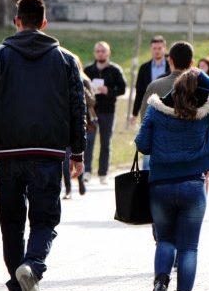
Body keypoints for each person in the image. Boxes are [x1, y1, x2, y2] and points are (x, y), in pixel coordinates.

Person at [0, 0, 86, 291]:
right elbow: (78, 108)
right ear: (44, 23)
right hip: (49, 154)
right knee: (45, 220)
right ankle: (33, 266)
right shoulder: (65, 60)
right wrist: (78, 151)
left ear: (16, 21)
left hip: (7, 154)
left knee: (11, 225)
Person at [135, 63, 209, 291]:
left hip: (161, 186)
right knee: (189, 248)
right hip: (193, 185)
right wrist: (204, 78)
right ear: (197, 90)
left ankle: (160, 283)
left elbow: (143, 145)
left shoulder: (156, 110)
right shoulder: (206, 112)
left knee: (165, 241)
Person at [138, 42, 197, 170]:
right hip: (190, 151)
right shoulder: (200, 87)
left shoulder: (155, 86)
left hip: (159, 149)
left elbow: (144, 119)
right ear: (192, 62)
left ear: (169, 60)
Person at [83, 41, 127, 184]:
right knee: (88, 142)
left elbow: (122, 89)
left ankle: (103, 174)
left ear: (108, 53)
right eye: (98, 51)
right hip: (91, 112)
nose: (100, 53)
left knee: (105, 143)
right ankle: (87, 171)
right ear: (95, 53)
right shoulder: (88, 70)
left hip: (108, 111)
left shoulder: (115, 70)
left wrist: (109, 91)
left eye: (103, 51)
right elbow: (80, 86)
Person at [63, 54, 96, 199]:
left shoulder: (85, 80)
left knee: (78, 154)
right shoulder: (62, 79)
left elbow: (92, 101)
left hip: (81, 124)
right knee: (65, 158)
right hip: (65, 123)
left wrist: (82, 88)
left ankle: (80, 180)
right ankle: (68, 188)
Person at [131, 35, 170, 124]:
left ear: (164, 48)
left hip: (167, 108)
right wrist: (135, 113)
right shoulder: (144, 68)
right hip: (149, 108)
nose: (157, 51)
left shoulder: (171, 67)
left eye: (159, 48)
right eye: (154, 48)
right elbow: (139, 91)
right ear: (150, 49)